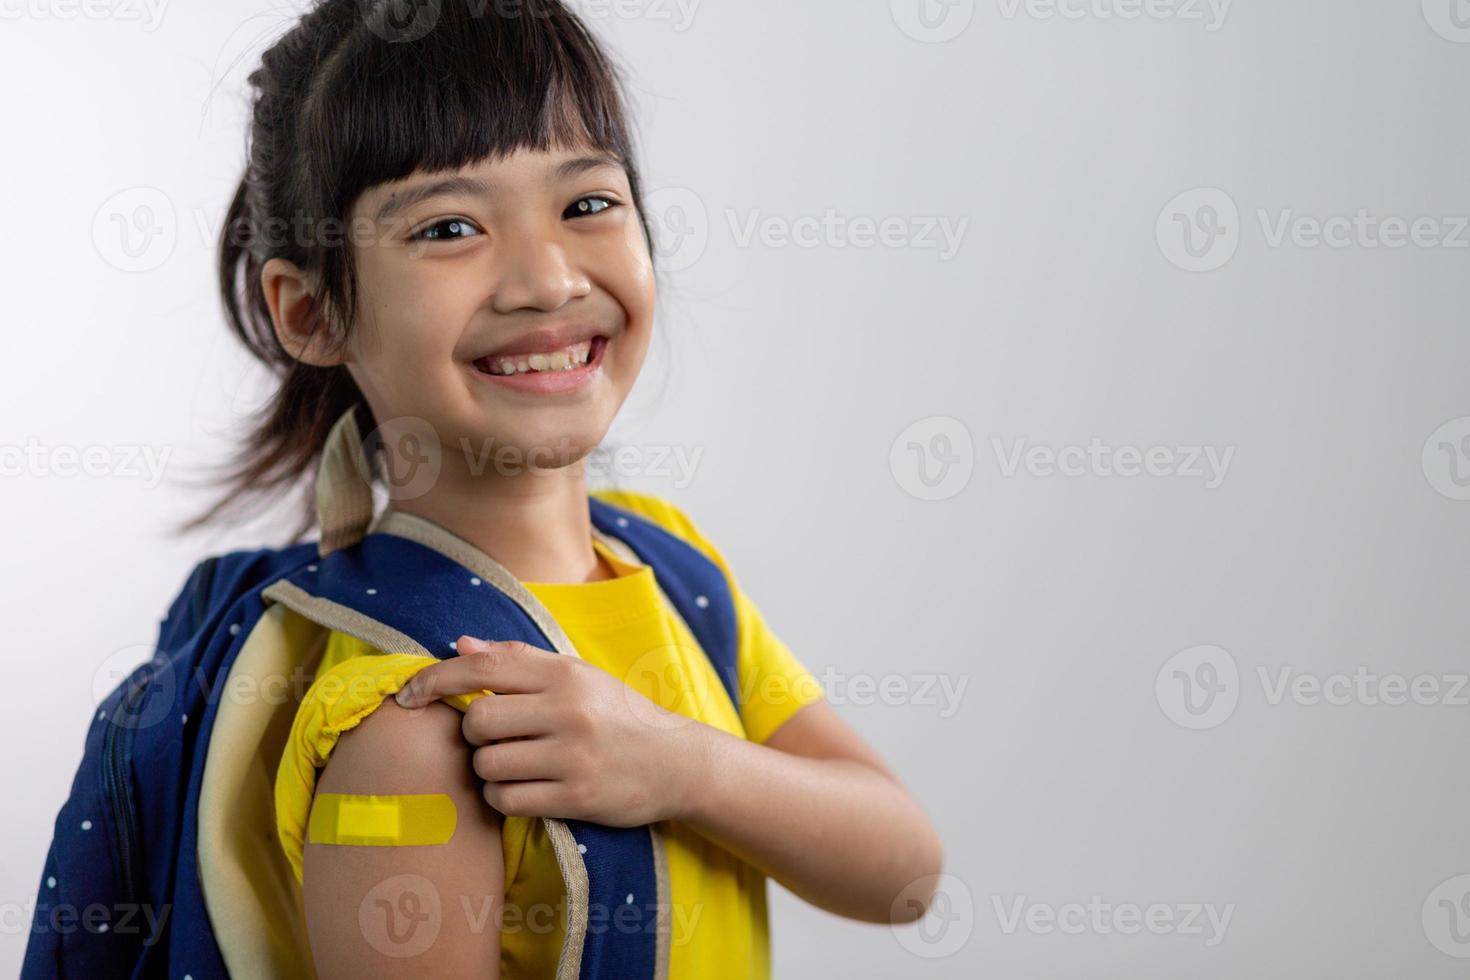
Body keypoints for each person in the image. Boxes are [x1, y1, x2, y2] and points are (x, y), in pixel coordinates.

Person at [189, 0, 945, 974]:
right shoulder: (416, 727)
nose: (546, 280)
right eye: (450, 226)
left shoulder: (668, 563)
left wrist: (683, 763)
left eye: (586, 203)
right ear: (310, 310)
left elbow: (905, 871)